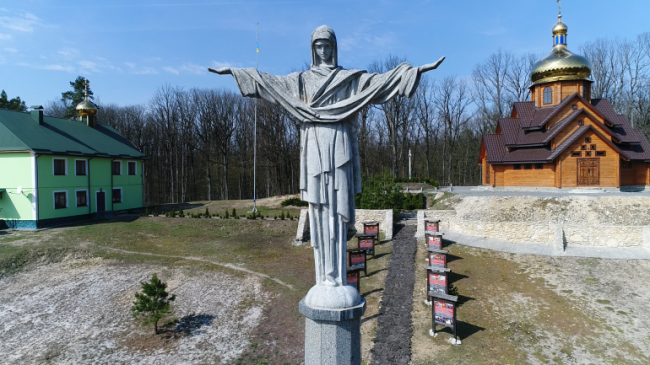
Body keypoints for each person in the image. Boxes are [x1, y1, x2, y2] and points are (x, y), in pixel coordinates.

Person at [210, 25, 444, 308]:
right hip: (313, 147)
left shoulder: (347, 79)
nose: (323, 50)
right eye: (318, 45)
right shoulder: (302, 80)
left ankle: (337, 279)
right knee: (319, 210)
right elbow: (269, 83)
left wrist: (413, 71)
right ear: (312, 49)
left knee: (337, 209)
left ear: (334, 48)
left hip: (339, 146)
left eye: (327, 45)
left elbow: (379, 84)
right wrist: (238, 72)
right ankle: (324, 278)